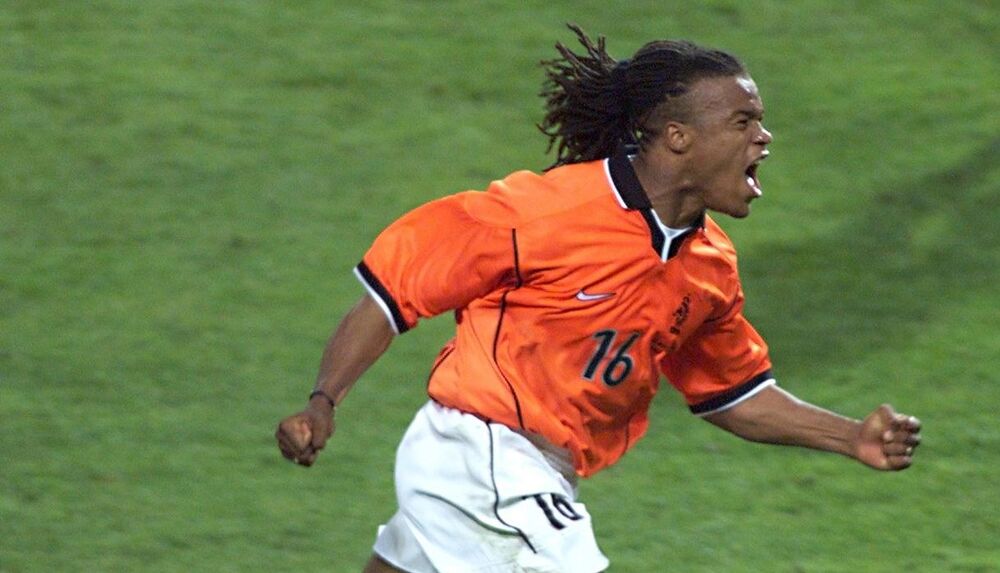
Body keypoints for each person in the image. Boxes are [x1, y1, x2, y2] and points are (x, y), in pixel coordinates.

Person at [275, 25, 922, 573]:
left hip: (544, 470)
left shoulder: (709, 266)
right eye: (743, 121)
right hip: (479, 452)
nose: (764, 137)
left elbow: (734, 392)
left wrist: (849, 437)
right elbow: (392, 294)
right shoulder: (545, 213)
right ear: (678, 137)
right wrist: (323, 401)